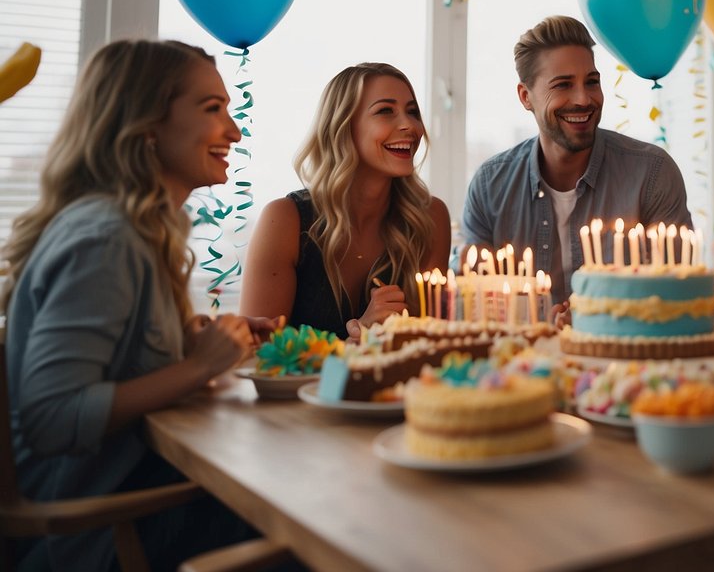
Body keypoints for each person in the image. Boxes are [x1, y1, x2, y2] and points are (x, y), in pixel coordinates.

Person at [2, 39, 278, 570]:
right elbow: (52, 418)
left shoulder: (132, 231)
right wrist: (198, 367)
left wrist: (194, 342)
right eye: (212, 109)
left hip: (131, 499)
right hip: (95, 535)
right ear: (148, 123)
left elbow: (114, 363)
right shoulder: (106, 239)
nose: (234, 131)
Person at [461, 15, 692, 305]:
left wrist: (597, 318)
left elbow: (681, 297)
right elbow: (477, 303)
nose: (583, 99)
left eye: (592, 82)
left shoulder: (652, 173)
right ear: (525, 97)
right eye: (563, 85)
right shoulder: (489, 186)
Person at [241, 63, 451, 341]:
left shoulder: (429, 217)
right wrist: (354, 341)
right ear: (343, 126)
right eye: (385, 111)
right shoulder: (284, 219)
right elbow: (259, 353)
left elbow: (432, 344)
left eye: (412, 112)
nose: (410, 126)